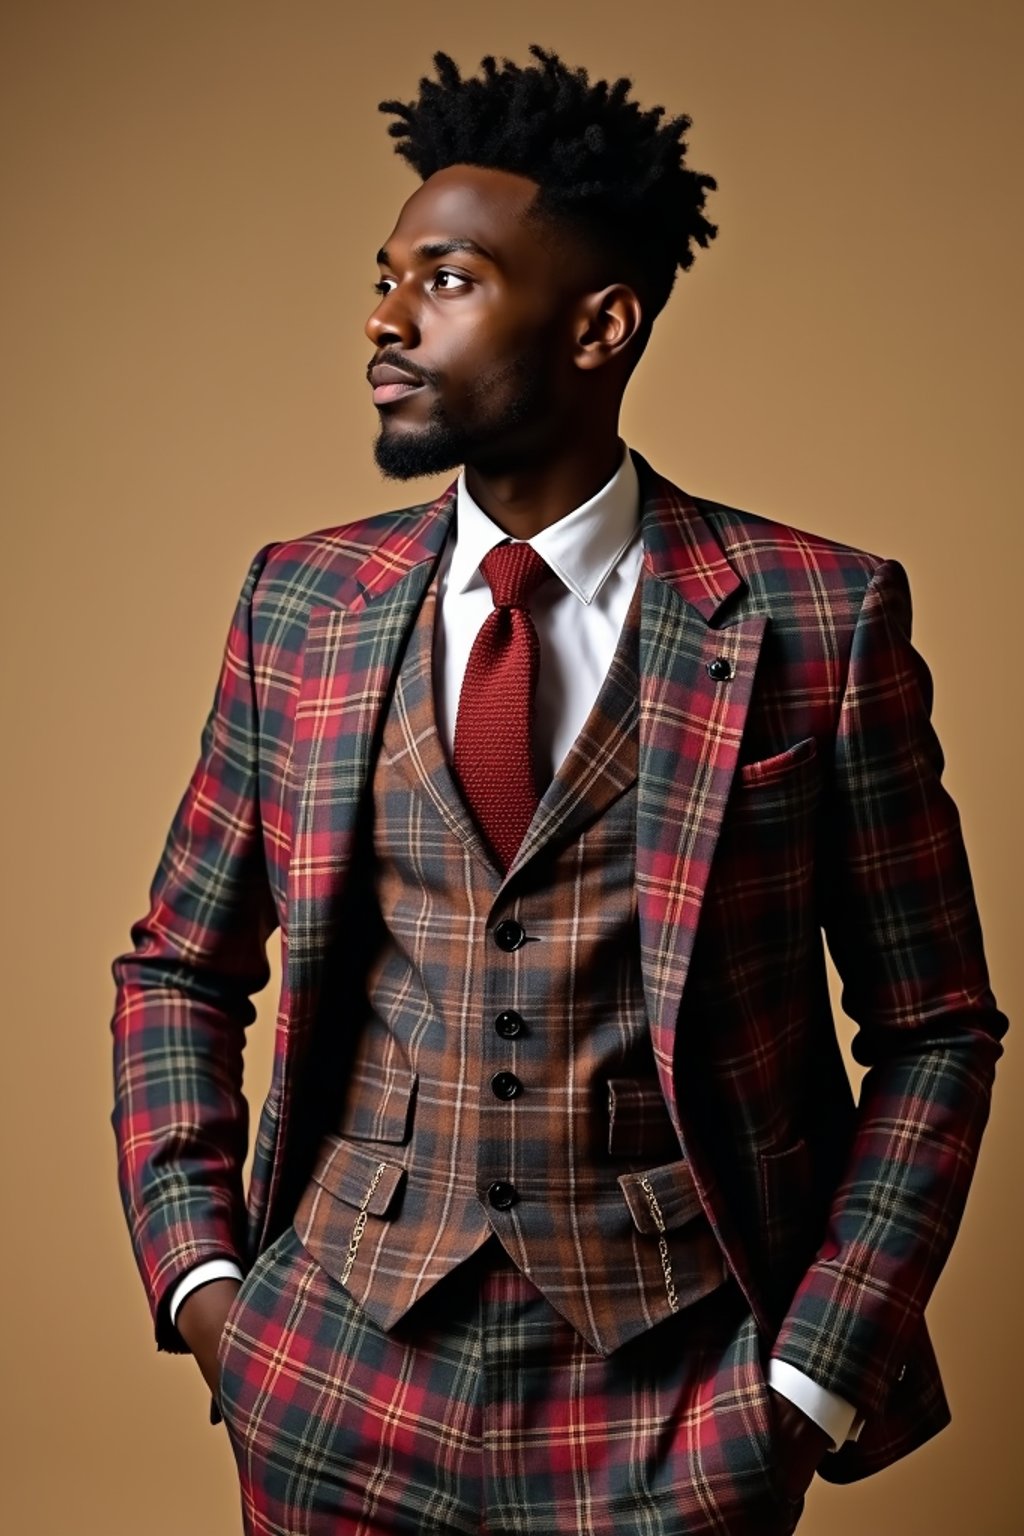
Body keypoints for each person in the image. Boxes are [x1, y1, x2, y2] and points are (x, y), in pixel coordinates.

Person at [111, 44, 1006, 1536]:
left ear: (602, 325)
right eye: (385, 277)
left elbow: (935, 1027)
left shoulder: (814, 619)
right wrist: (208, 1291)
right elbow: (177, 968)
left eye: (448, 280)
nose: (388, 320)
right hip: (334, 1374)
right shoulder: (302, 605)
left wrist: (809, 1383)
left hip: (679, 1404)